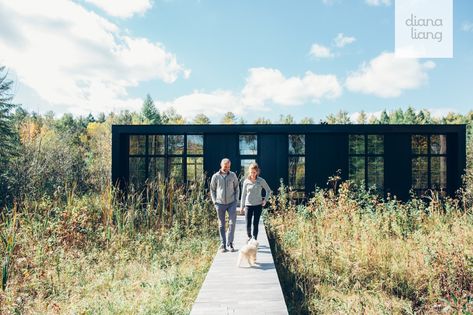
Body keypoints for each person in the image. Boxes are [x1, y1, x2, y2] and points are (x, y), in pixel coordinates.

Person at [210, 158, 240, 253]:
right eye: (225, 166)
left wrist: (236, 200)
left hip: (231, 203)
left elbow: (237, 188)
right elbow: (212, 190)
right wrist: (215, 201)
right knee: (221, 225)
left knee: (232, 223)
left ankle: (230, 243)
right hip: (220, 204)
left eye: (228, 166)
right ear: (221, 165)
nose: (227, 168)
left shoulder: (233, 175)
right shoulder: (215, 176)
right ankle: (223, 244)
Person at [240, 162, 272, 242]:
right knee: (248, 224)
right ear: (249, 171)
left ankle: (254, 239)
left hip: (258, 205)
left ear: (257, 172)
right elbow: (243, 195)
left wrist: (265, 200)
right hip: (248, 205)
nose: (253, 174)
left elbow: (268, 190)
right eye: (251, 172)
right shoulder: (246, 181)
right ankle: (249, 236)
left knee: (255, 223)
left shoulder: (261, 181)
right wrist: (242, 207)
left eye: (254, 172)